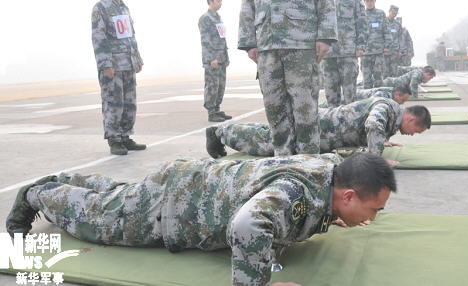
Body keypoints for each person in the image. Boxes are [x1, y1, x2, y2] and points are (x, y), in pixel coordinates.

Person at [6, 153, 395, 286]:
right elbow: (246, 227)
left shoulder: (329, 172)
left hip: (186, 183)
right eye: (372, 209)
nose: (371, 218)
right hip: (175, 207)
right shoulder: (295, 194)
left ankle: (67, 180)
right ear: (347, 195)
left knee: (117, 198)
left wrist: (334, 215)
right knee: (100, 220)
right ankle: (37, 194)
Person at [238, 0, 337, 156]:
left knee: (305, 110)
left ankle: (309, 164)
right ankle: (283, 162)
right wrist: (249, 42)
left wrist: (325, 36)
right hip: (268, 48)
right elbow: (248, 3)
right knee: (274, 110)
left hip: (301, 47)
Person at [207, 98, 431, 158]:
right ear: (412, 120)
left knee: (270, 135)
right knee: (268, 143)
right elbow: (373, 124)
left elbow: (375, 129)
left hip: (323, 130)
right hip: (318, 129)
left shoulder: (392, 115)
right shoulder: (388, 107)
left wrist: (381, 140)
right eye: (416, 131)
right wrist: (376, 157)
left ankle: (224, 131)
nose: (412, 134)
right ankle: (220, 132)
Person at [91, 0, 145, 156]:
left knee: (129, 103)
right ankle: (114, 139)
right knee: (113, 103)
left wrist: (137, 58)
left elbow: (131, 35)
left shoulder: (123, 7)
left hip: (128, 64)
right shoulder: (101, 8)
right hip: (113, 66)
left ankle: (125, 136)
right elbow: (99, 37)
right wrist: (106, 64)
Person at [321, 0, 366, 107]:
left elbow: (361, 21)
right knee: (331, 96)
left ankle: (351, 129)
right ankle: (334, 129)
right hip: (327, 54)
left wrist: (361, 46)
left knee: (350, 97)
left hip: (348, 52)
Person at [199, 0, 232, 122]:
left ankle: (217, 109)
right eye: (218, 1)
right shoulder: (206, 18)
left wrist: (226, 57)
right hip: (213, 59)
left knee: (220, 86)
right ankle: (211, 112)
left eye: (221, 1)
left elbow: (222, 39)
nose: (220, 3)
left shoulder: (218, 18)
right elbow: (205, 41)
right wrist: (211, 58)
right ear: (210, 2)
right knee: (212, 86)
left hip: (221, 58)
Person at [361, 0, 390, 88]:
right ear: (364, 2)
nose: (369, 2)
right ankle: (368, 100)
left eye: (371, 0)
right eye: (367, 0)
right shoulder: (361, 14)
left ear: (375, 1)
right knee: (366, 78)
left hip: (378, 52)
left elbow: (386, 31)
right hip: (365, 52)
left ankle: (379, 99)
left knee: (378, 77)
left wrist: (387, 46)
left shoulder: (380, 13)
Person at [384, 5, 402, 78]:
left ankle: (394, 88)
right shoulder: (383, 22)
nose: (393, 14)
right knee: (385, 72)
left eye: (395, 13)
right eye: (392, 12)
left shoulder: (398, 24)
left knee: (394, 72)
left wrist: (400, 50)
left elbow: (400, 38)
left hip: (394, 52)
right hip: (385, 51)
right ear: (389, 11)